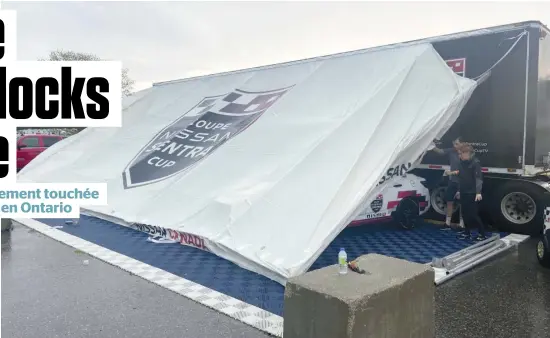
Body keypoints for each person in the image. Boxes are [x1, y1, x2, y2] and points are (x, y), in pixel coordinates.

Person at [447, 144, 487, 241]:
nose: (459, 156)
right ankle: (467, 233)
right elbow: (461, 177)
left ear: (468, 153)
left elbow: (478, 179)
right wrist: (459, 191)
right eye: (459, 154)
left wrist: (478, 192)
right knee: (465, 214)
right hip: (464, 192)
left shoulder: (475, 163)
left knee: (473, 214)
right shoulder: (462, 163)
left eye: (461, 154)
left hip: (472, 193)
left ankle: (482, 234)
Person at [431, 137, 463, 229]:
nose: (454, 146)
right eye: (454, 144)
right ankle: (447, 223)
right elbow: (440, 152)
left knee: (462, 203)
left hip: (462, 182)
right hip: (452, 181)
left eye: (457, 144)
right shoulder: (452, 151)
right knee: (449, 201)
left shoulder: (466, 154)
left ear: (462, 144)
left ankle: (462, 224)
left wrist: (452, 172)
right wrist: (431, 146)